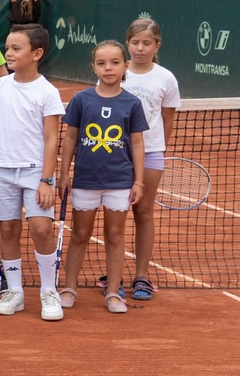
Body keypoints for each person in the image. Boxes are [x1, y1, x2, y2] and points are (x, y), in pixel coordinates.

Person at [0, 24, 66, 321]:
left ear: (36, 53)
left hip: (36, 171)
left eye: (16, 48)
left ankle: (48, 291)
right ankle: (15, 291)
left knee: (41, 229)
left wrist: (46, 179)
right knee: (8, 230)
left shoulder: (48, 92)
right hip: (2, 170)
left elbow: (52, 138)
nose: (8, 53)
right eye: (8, 47)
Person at [57, 40, 147, 314]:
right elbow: (70, 137)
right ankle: (69, 287)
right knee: (80, 234)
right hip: (86, 179)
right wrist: (63, 173)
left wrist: (138, 180)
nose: (108, 68)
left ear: (125, 66)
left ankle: (113, 293)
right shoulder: (82, 99)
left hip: (119, 181)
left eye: (115, 62)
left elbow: (138, 143)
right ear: (93, 67)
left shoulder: (132, 103)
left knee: (115, 236)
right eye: (101, 63)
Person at [122, 18, 180, 300]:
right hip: (115, 152)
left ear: (157, 45)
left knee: (143, 213)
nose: (140, 48)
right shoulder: (117, 72)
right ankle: (114, 273)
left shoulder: (166, 77)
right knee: (115, 214)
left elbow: (167, 119)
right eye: (135, 43)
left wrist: (157, 148)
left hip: (151, 153)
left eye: (146, 43)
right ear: (127, 44)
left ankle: (141, 276)